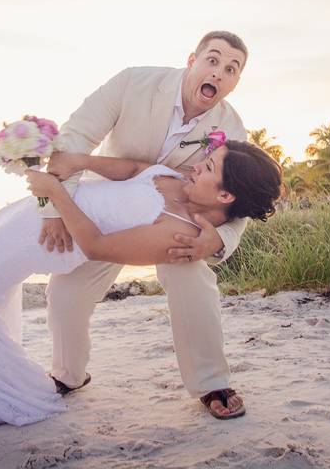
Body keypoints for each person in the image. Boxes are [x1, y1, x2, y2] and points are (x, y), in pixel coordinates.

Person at [0, 141, 282, 430]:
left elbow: (97, 244)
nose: (194, 168)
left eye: (206, 168)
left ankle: (3, 402)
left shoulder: (177, 233)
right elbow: (130, 166)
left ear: (225, 197)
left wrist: (56, 191)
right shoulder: (173, 180)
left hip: (51, 237)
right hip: (38, 212)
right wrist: (72, 167)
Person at [42, 31, 253, 419]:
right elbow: (75, 138)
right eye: (212, 60)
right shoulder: (133, 82)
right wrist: (52, 208)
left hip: (172, 219)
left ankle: (211, 382)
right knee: (65, 293)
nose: (218, 72)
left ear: (236, 81)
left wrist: (218, 240)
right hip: (109, 208)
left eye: (231, 69)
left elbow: (241, 198)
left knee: (194, 280)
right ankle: (68, 374)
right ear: (192, 59)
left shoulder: (232, 129)